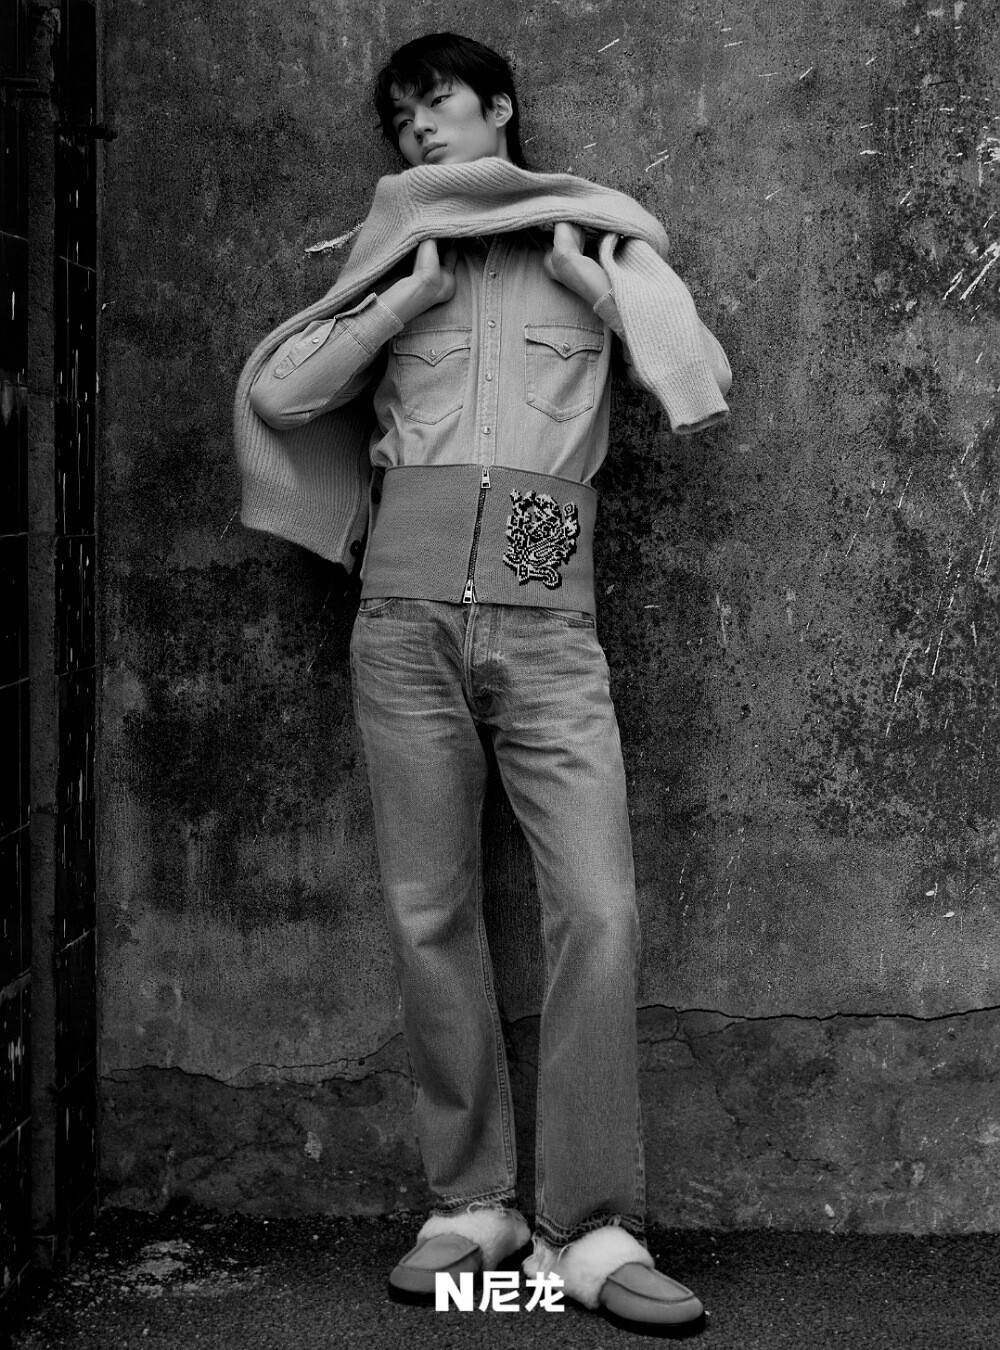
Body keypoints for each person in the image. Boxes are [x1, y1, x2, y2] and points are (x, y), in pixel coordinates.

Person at [234, 31, 731, 1337]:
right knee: (429, 910)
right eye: (399, 119)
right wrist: (397, 300)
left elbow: (696, 373)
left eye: (436, 104)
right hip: (402, 620)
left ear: (499, 107)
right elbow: (281, 394)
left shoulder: (595, 241)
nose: (418, 131)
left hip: (550, 624)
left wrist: (595, 284)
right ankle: (474, 1209)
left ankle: (593, 1225)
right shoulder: (396, 251)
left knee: (599, 910)